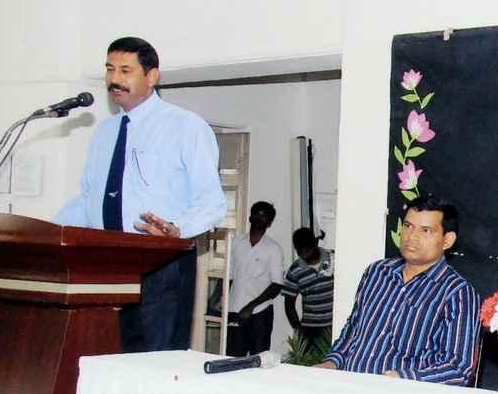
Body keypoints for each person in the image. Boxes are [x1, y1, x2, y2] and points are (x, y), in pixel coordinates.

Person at [55, 36, 226, 352]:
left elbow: (212, 202)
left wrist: (177, 230)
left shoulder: (185, 126)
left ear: (152, 76)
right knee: (106, 358)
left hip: (161, 264)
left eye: (125, 70)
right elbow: (89, 200)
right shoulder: (105, 132)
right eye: (110, 69)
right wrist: (51, 232)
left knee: (153, 364)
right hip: (106, 265)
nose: (114, 79)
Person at [320, 195, 480, 384]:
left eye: (425, 230)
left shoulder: (457, 293)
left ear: (447, 240)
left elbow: (458, 369)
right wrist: (331, 363)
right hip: (349, 388)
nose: (412, 236)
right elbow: (353, 330)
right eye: (408, 226)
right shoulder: (377, 272)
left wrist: (400, 379)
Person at [226, 201, 285, 356]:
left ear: (269, 223)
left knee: (258, 360)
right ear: (250, 217)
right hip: (235, 310)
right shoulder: (236, 243)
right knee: (232, 358)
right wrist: (219, 301)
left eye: (264, 216)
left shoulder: (274, 249)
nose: (260, 217)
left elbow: (277, 285)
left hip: (260, 313)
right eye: (257, 213)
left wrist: (251, 307)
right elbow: (229, 276)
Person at [281, 227, 334, 347]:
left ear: (314, 244)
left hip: (334, 325)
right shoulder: (295, 270)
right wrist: (298, 329)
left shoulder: (332, 259)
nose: (304, 255)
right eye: (300, 252)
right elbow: (289, 305)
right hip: (310, 329)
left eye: (307, 250)